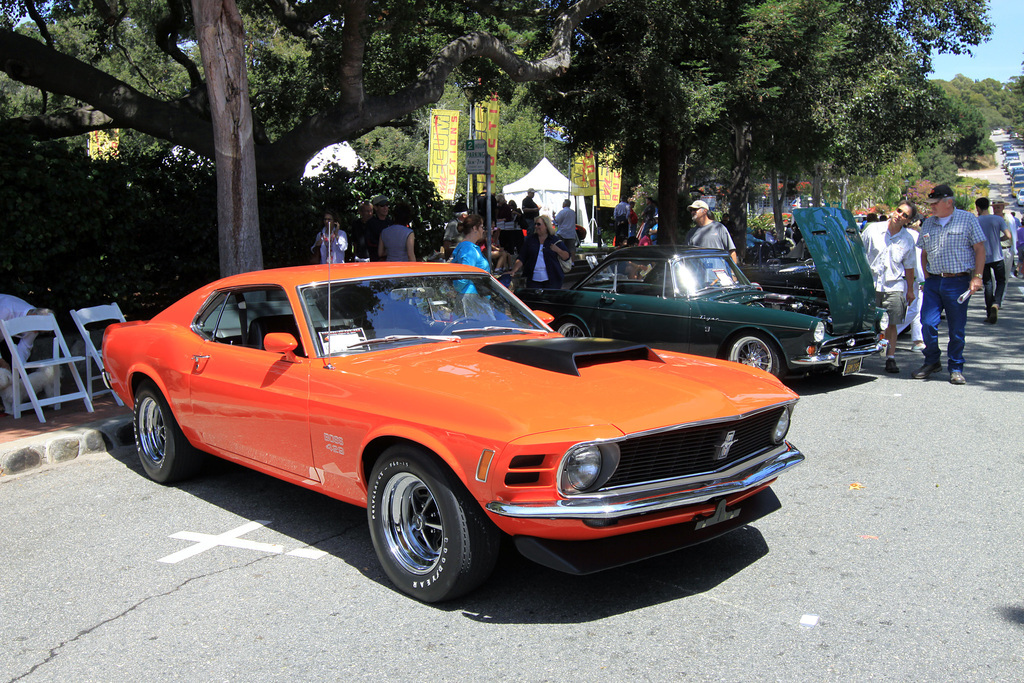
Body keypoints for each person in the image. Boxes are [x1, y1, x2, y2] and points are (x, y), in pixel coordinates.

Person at [913, 184, 986, 385]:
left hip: (958, 281)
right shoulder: (928, 223)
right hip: (934, 281)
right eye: (930, 204)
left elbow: (980, 249)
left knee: (956, 328)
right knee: (927, 323)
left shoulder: (968, 219)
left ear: (949, 202)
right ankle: (932, 360)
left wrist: (977, 276)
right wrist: (927, 275)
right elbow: (924, 252)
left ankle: (955, 367)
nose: (932, 207)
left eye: (935, 203)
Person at [861, 200, 917, 373]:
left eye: (905, 215)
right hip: (871, 284)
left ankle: (890, 358)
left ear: (908, 221)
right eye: (899, 211)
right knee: (865, 322)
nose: (899, 216)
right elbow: (859, 253)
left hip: (894, 285)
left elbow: (909, 267)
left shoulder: (907, 239)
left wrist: (910, 290)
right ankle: (860, 355)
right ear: (894, 210)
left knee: (892, 323)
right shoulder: (873, 230)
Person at [508, 214, 570, 289]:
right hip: (533, 279)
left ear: (546, 226)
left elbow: (566, 256)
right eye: (535, 224)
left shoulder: (554, 240)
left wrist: (557, 250)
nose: (536, 226)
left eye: (539, 224)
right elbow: (522, 257)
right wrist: (514, 270)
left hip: (552, 279)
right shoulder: (530, 240)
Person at [975, 197, 1011, 323]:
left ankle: (989, 311)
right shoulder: (998, 219)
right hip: (997, 256)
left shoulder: (975, 221)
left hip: (982, 257)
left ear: (978, 208)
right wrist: (999, 240)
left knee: (988, 284)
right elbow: (1008, 235)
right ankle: (996, 303)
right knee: (1001, 280)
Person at [0, 294, 50, 369]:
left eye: (39, 331)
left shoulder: (36, 322)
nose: (35, 332)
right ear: (32, 315)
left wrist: (19, 368)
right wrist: (1, 361)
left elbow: (24, 347)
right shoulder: (6, 310)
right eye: (37, 330)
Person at [365, 195, 391, 261]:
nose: (385, 208)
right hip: (376, 260)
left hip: (390, 259)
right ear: (376, 207)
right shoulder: (370, 223)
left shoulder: (390, 222)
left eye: (387, 205)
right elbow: (369, 242)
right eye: (382, 206)